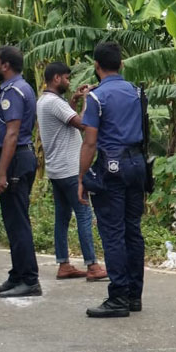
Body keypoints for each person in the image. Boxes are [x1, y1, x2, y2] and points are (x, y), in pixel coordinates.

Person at [78, 42, 146, 318]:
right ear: (121, 64)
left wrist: (82, 176)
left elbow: (90, 142)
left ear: (96, 66)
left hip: (112, 166)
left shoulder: (97, 98)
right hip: (137, 164)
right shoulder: (136, 92)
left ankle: (117, 296)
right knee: (133, 230)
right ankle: (133, 296)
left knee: (113, 233)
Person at [37, 62, 107, 281]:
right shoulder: (54, 103)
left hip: (56, 170)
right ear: (56, 78)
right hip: (70, 169)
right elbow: (84, 124)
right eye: (67, 78)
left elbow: (63, 121)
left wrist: (75, 100)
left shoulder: (45, 101)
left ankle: (64, 264)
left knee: (62, 217)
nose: (69, 82)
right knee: (84, 215)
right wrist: (88, 100)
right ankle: (92, 266)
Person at [0, 46, 42, 298]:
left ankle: (29, 280)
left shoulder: (14, 91)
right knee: (13, 221)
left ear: (6, 65)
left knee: (18, 222)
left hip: (15, 161)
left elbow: (12, 133)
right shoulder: (14, 88)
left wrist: (1, 173)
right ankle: (17, 275)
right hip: (15, 159)